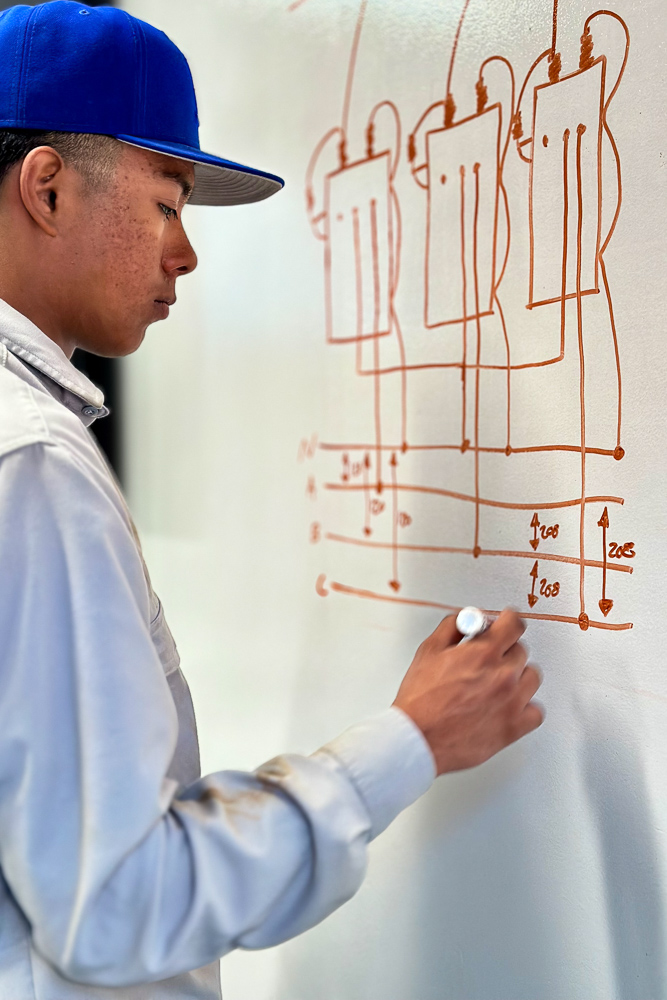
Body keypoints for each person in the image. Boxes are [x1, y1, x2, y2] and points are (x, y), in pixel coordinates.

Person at [0, 3, 544, 998]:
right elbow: (117, 908)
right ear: (47, 188)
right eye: (167, 202)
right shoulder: (32, 466)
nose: (185, 253)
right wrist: (409, 742)